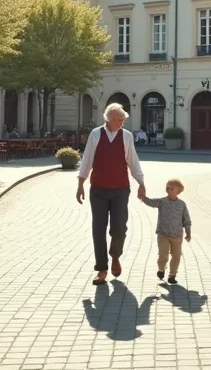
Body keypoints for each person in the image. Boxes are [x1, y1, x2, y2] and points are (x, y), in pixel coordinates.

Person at [76, 103, 146, 286]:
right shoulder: (96, 134)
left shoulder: (126, 136)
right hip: (98, 189)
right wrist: (80, 183)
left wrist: (141, 183)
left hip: (120, 189)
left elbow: (133, 161)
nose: (122, 122)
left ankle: (115, 256)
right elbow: (87, 159)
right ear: (110, 119)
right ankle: (101, 269)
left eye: (123, 119)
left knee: (119, 228)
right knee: (98, 228)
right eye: (119, 119)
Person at [139, 178, 192, 285]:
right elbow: (151, 202)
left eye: (172, 188)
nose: (169, 190)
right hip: (163, 234)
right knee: (163, 255)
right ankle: (161, 269)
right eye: (167, 188)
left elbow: (186, 219)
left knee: (176, 256)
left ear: (178, 191)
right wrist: (143, 197)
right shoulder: (162, 201)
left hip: (177, 235)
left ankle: (172, 275)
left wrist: (188, 232)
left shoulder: (182, 204)